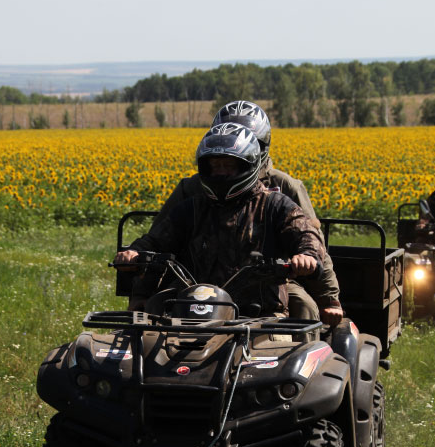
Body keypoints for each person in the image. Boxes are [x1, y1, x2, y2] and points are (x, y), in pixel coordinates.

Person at [140, 100, 342, 325]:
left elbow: (311, 239)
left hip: (267, 281)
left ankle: (310, 346)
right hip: (196, 279)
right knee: (155, 307)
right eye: (218, 161)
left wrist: (328, 298)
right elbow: (158, 239)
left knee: (303, 306)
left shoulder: (282, 188)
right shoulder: (194, 188)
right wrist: (139, 289)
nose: (235, 145)